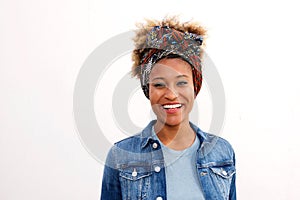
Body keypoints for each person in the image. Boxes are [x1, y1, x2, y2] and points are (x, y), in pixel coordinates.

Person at [100, 16, 236, 200]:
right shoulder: (120, 156)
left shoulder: (222, 152)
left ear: (195, 86)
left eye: (181, 82)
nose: (171, 94)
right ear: (147, 90)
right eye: (159, 84)